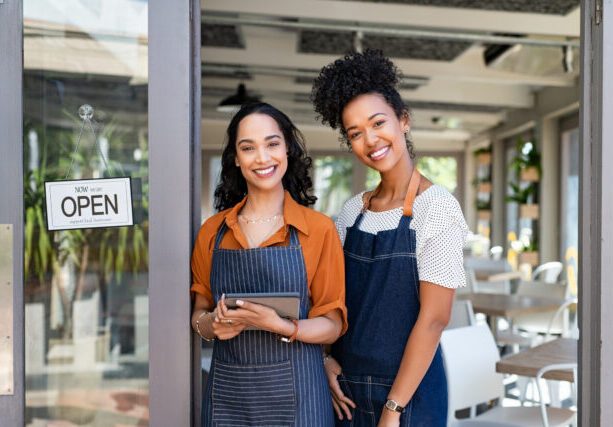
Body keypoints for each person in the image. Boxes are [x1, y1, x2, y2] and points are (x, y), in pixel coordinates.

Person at [311, 50, 469, 427]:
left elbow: (434, 320)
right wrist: (326, 358)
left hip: (409, 397)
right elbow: (332, 301)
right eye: (355, 133)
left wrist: (393, 408)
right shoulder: (351, 212)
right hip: (345, 393)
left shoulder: (437, 209)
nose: (370, 139)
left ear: (404, 120)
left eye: (378, 122)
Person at [190, 102, 347, 427]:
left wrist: (282, 325)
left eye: (272, 144)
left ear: (287, 148)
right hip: (228, 400)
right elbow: (198, 315)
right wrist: (212, 326)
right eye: (248, 148)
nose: (262, 158)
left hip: (300, 399)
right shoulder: (212, 232)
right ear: (236, 157)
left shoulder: (318, 230)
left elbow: (332, 323)